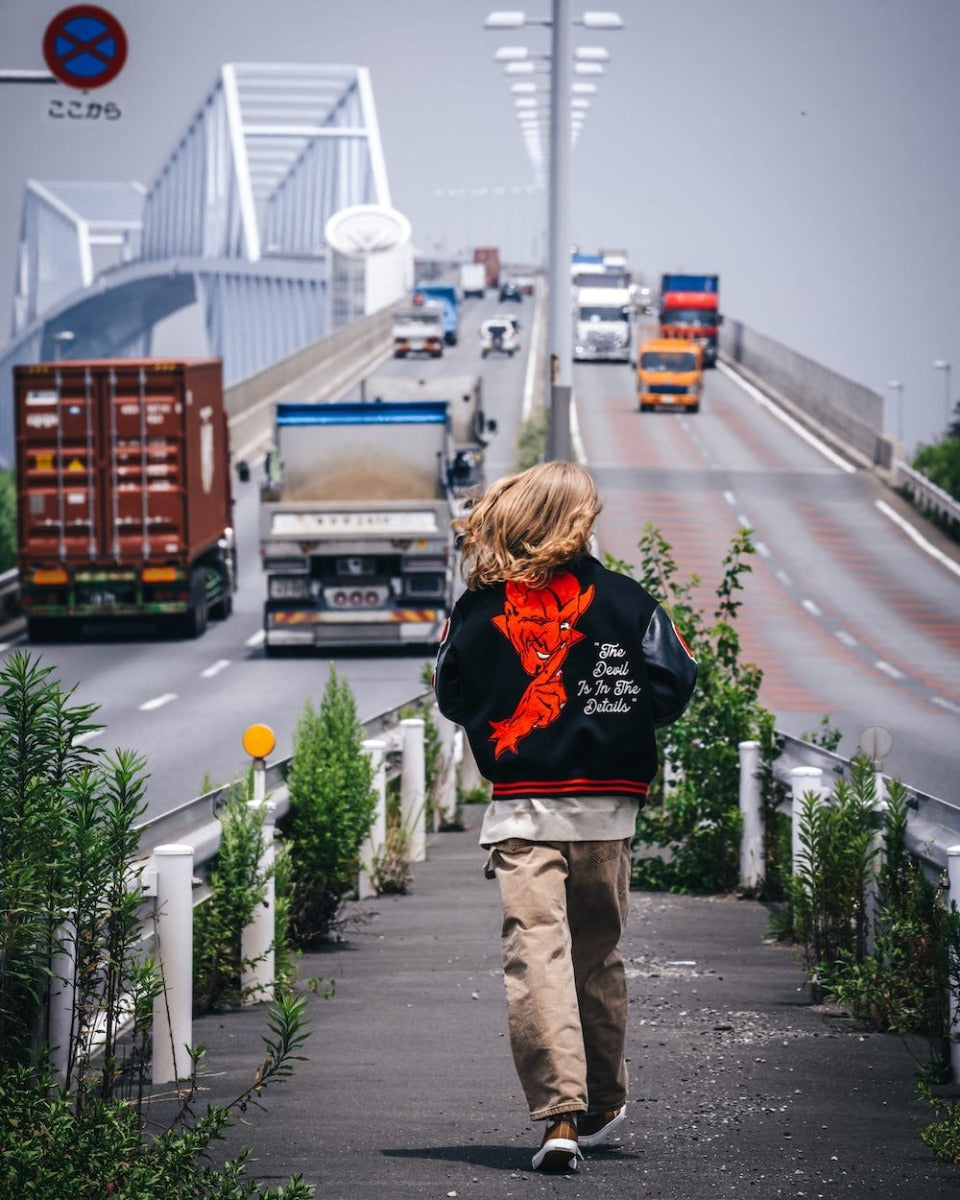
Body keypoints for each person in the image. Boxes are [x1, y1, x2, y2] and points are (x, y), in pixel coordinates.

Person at [433, 460, 697, 1173]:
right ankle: (604, 1101)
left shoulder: (477, 609)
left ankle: (560, 1118)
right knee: (597, 954)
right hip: (608, 809)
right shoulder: (628, 601)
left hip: (524, 810)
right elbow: (675, 682)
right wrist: (617, 720)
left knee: (536, 956)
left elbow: (450, 692)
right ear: (578, 520)